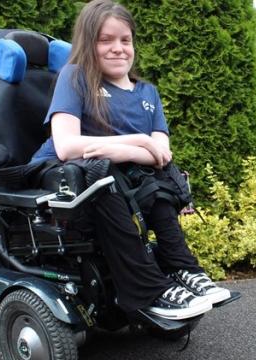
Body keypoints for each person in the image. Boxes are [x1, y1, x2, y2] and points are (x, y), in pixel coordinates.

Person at [31, 0, 230, 320]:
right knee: (104, 177)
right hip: (64, 179)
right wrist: (140, 141)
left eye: (125, 40)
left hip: (116, 175)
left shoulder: (147, 92)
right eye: (105, 40)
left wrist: (131, 150)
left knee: (160, 181)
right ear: (88, 42)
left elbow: (162, 155)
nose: (118, 48)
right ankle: (149, 290)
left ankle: (183, 269)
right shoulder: (75, 76)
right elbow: (67, 146)